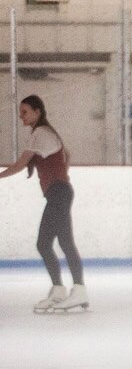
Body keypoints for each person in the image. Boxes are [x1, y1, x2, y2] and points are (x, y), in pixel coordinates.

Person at [1, 95, 88, 313]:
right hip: (59, 193)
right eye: (21, 112)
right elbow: (66, 154)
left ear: (37, 112)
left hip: (59, 193)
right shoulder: (45, 133)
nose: (21, 116)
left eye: (25, 112)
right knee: (46, 244)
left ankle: (78, 290)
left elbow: (20, 165)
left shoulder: (41, 133)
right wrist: (61, 174)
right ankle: (60, 290)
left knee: (61, 243)